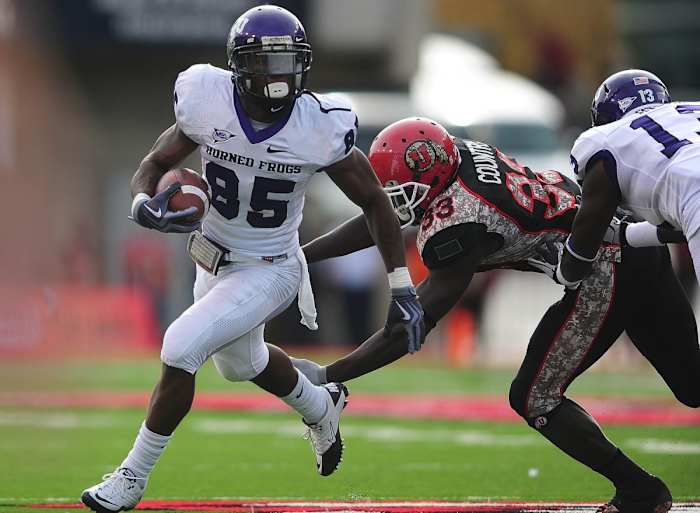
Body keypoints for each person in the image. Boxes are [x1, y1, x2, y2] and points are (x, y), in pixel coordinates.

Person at [81, 6, 424, 513]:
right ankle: (321, 405)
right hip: (211, 260)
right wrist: (142, 206)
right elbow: (154, 164)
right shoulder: (207, 101)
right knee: (244, 364)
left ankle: (132, 476)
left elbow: (374, 200)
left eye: (288, 61)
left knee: (180, 347)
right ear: (240, 67)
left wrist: (400, 285)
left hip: (271, 266)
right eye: (266, 62)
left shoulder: (317, 126)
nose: (279, 75)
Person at [292, 117, 700, 513]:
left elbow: (408, 328)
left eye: (398, 191)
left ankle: (639, 492)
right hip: (637, 243)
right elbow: (382, 218)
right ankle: (641, 491)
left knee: (533, 398)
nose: (392, 201)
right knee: (692, 384)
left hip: (605, 268)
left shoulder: (457, 222)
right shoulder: (462, 155)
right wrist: (302, 257)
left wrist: (331, 376)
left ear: (429, 179)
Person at [557, 69, 700, 291]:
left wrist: (565, 273)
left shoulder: (606, 139)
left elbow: (584, 244)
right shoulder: (691, 111)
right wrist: (627, 235)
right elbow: (684, 224)